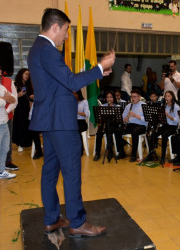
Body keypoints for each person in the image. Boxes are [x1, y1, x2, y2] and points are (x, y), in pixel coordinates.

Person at [28, 8, 115, 237]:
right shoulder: (47, 51)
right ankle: (78, 222)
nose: (67, 36)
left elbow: (61, 82)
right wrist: (98, 67)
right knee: (72, 172)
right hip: (61, 121)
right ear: (55, 27)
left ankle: (52, 219)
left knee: (50, 171)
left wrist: (97, 74)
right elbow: (72, 83)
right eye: (66, 30)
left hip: (50, 120)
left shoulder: (38, 48)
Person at [93, 91, 125, 161]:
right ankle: (97, 153)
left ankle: (110, 151)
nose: (109, 99)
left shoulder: (117, 106)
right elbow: (99, 118)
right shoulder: (103, 106)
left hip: (114, 124)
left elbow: (119, 119)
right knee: (99, 133)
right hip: (104, 124)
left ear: (113, 98)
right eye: (107, 97)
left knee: (109, 132)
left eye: (111, 97)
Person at [122, 89, 148, 162]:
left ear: (139, 97)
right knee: (118, 131)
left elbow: (147, 119)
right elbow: (123, 117)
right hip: (130, 125)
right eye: (131, 97)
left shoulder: (144, 105)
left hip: (141, 126)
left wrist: (135, 115)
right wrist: (125, 119)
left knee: (134, 132)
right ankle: (121, 152)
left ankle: (133, 155)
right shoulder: (128, 106)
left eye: (135, 97)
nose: (133, 99)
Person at [0, 75, 19, 170]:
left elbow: (14, 100)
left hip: (7, 116)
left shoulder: (8, 82)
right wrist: (5, 98)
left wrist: (5, 111)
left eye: (0, 71)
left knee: (7, 141)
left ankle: (7, 162)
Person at [12, 68, 34, 152]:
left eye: (28, 74)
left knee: (27, 124)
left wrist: (32, 96)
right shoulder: (15, 84)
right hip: (19, 107)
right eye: (25, 74)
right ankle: (20, 143)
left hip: (27, 107)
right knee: (20, 125)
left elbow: (30, 97)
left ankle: (27, 142)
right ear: (21, 74)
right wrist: (18, 95)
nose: (27, 76)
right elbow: (12, 97)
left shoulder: (29, 85)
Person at [156, 91, 180, 164]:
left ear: (172, 97)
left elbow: (177, 120)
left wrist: (168, 115)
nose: (167, 98)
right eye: (166, 96)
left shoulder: (176, 106)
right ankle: (152, 153)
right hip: (165, 125)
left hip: (173, 126)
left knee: (164, 135)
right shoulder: (165, 105)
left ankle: (163, 157)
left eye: (169, 96)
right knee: (155, 133)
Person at [73, 90, 89, 154]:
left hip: (82, 122)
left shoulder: (84, 102)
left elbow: (86, 114)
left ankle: (80, 149)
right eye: (73, 94)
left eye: (75, 94)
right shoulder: (71, 102)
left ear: (79, 94)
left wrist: (76, 112)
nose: (74, 95)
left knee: (77, 129)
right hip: (73, 121)